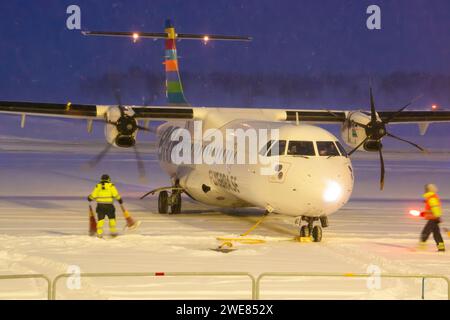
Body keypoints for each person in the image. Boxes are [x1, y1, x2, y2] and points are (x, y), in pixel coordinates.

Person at [419, 184, 445, 252]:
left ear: (428, 190)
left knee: (425, 232)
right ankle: (441, 248)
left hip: (433, 219)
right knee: (436, 234)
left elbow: (435, 208)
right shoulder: (430, 198)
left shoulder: (432, 198)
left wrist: (437, 217)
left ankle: (421, 248)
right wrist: (423, 214)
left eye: (425, 189)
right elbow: (430, 209)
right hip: (433, 218)